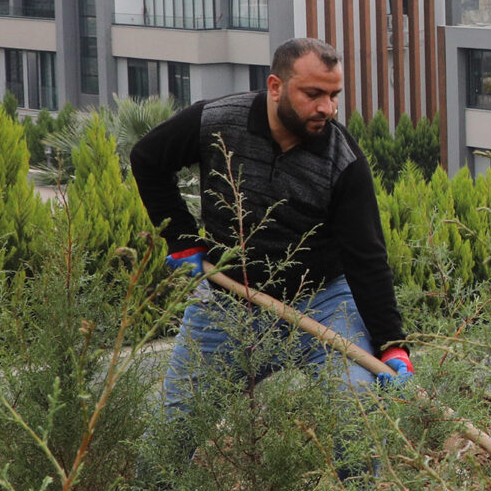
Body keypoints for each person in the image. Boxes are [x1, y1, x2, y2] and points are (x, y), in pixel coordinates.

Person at [130, 37, 412, 436]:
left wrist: (391, 342)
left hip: (322, 302)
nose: (327, 108)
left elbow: (367, 257)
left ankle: (358, 479)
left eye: (334, 96)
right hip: (227, 302)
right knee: (172, 431)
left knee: (356, 412)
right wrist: (181, 238)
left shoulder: (343, 160)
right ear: (276, 87)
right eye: (313, 94)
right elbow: (147, 158)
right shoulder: (216, 121)